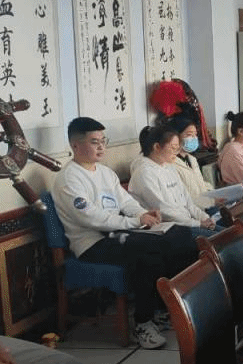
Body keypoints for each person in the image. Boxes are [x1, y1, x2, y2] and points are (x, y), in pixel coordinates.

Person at [52, 117, 199, 349]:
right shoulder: (68, 178)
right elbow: (90, 218)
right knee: (147, 253)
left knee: (181, 237)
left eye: (103, 141)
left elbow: (126, 201)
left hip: (119, 233)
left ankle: (163, 310)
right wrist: (134, 222)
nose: (101, 147)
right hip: (92, 244)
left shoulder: (105, 172)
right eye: (94, 142)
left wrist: (143, 214)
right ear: (75, 145)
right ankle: (143, 323)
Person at [129, 125, 217, 238]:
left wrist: (204, 218)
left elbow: (188, 202)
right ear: (157, 147)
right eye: (173, 147)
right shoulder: (144, 173)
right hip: (169, 229)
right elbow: (164, 211)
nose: (177, 151)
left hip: (187, 222)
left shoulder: (169, 167)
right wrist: (197, 223)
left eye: (178, 147)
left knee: (229, 234)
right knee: (222, 241)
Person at [164, 116, 219, 212]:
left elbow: (199, 183)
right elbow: (180, 196)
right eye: (189, 135)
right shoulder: (169, 163)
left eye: (195, 135)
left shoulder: (192, 159)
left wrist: (213, 192)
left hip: (204, 205)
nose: (194, 138)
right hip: (191, 211)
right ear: (175, 137)